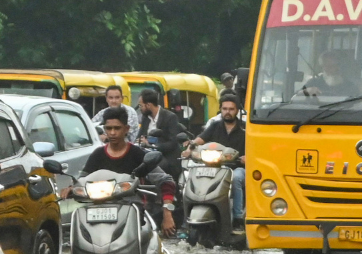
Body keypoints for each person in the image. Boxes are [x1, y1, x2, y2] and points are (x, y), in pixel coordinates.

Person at [80, 107, 177, 237]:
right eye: (109, 128)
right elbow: (82, 180)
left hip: (132, 210)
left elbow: (166, 181)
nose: (113, 133)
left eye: (117, 128)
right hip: (98, 211)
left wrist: (167, 212)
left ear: (126, 129)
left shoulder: (137, 154)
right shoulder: (97, 154)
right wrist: (71, 189)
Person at [187, 94, 246, 228]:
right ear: (220, 109)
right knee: (191, 174)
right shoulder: (214, 126)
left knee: (236, 178)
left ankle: (237, 217)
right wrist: (190, 146)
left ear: (237, 110)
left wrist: (248, 158)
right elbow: (200, 139)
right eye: (224, 109)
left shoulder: (245, 128)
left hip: (236, 167)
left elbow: (255, 148)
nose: (227, 112)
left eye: (231, 109)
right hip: (214, 167)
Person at [136, 89, 186, 181]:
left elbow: (172, 143)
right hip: (147, 154)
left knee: (154, 167)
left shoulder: (170, 117)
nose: (140, 108)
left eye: (140, 105)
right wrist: (140, 141)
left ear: (148, 105)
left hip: (165, 156)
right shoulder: (145, 118)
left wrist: (153, 146)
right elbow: (139, 137)